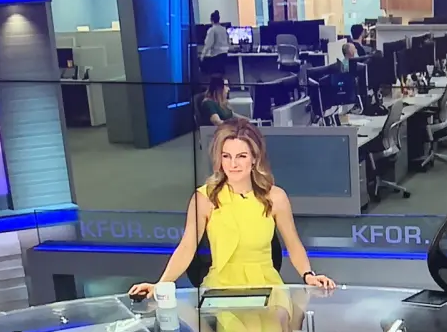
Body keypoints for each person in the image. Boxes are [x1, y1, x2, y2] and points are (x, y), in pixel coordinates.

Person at [128, 120, 337, 296]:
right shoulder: (205, 198)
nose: (233, 164)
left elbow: (293, 244)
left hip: (267, 286)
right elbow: (187, 247)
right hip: (221, 287)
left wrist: (308, 275)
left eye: (241, 156)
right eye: (226, 156)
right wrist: (161, 285)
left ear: (254, 159)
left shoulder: (275, 197)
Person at [201, 10, 231, 76]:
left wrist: (202, 56)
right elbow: (228, 42)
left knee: (204, 69)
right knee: (220, 75)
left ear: (211, 20)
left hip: (216, 57)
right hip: (224, 56)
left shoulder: (212, 30)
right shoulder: (224, 29)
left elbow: (208, 44)